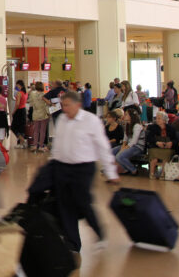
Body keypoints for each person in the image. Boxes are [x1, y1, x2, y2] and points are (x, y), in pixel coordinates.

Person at [50, 90, 119, 254]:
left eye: (67, 105)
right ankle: (73, 243)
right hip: (63, 167)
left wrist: (111, 173)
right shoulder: (61, 120)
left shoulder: (91, 121)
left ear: (77, 105)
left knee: (83, 203)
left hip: (84, 168)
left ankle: (99, 232)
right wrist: (52, 166)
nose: (64, 109)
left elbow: (103, 147)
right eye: (62, 105)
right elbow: (58, 145)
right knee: (65, 205)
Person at [113, 109, 145, 175]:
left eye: (126, 114)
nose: (124, 116)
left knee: (119, 156)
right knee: (111, 152)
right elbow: (125, 138)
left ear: (131, 116)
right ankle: (122, 169)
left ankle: (133, 170)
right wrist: (123, 146)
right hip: (129, 145)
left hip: (137, 147)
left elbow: (134, 141)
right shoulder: (127, 125)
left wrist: (124, 148)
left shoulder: (137, 126)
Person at [146, 111, 176, 179]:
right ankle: (152, 174)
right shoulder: (152, 127)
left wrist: (171, 143)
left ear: (164, 120)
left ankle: (163, 174)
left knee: (165, 156)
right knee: (154, 158)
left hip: (166, 148)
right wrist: (157, 142)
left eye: (159, 118)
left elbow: (175, 139)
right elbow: (149, 138)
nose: (157, 120)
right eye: (156, 118)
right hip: (155, 146)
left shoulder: (171, 128)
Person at [29, 82, 49, 152]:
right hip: (43, 114)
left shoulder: (32, 94)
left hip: (35, 113)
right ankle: (41, 146)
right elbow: (47, 104)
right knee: (42, 131)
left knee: (36, 131)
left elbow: (30, 103)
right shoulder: (44, 95)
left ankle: (34, 145)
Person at [12, 80, 27, 148]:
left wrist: (14, 111)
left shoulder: (19, 93)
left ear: (19, 85)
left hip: (19, 111)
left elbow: (17, 104)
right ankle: (21, 143)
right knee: (21, 127)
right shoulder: (25, 93)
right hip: (23, 110)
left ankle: (22, 140)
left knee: (14, 127)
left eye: (16, 85)